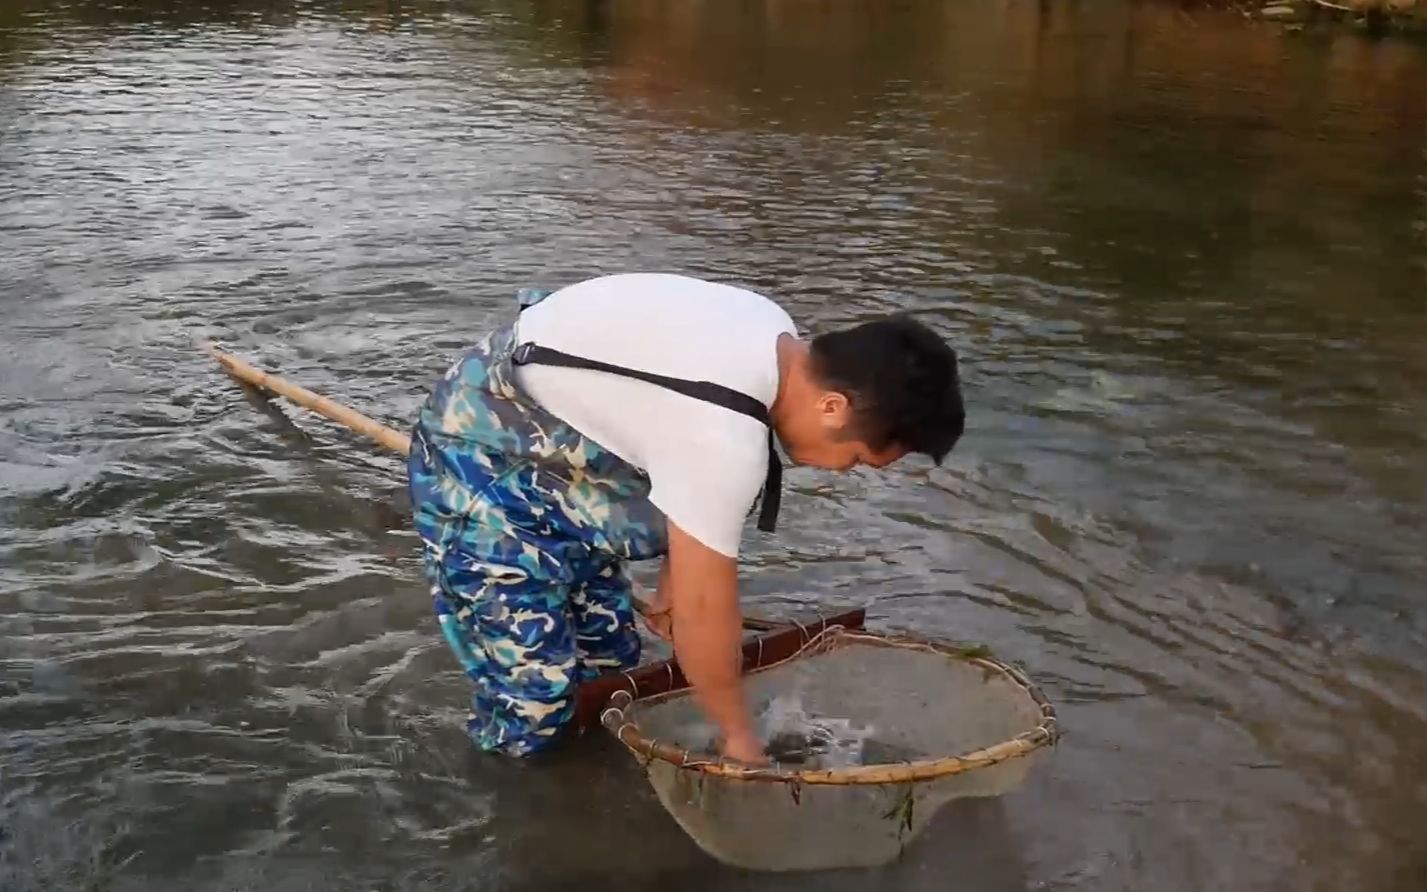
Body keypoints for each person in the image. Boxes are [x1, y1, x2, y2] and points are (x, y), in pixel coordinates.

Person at [407, 272, 964, 763]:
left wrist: (679, 567)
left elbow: (668, 426)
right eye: (861, 458)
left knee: (612, 664)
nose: (848, 471)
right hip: (482, 452)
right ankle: (511, 789)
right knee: (537, 696)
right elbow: (704, 612)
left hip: (568, 450)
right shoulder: (723, 436)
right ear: (833, 406)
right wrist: (740, 739)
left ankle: (586, 763)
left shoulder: (774, 333)